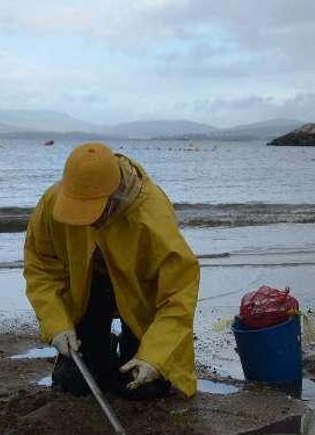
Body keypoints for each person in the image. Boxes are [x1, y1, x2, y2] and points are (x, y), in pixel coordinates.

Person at [23, 142, 200, 399]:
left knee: (143, 387)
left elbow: (179, 293)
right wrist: (57, 323)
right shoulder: (53, 202)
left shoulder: (152, 217)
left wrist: (154, 356)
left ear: (115, 197)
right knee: (75, 385)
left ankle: (133, 347)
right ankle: (101, 348)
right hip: (85, 289)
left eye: (92, 212)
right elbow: (40, 266)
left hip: (142, 296)